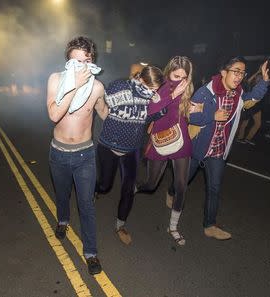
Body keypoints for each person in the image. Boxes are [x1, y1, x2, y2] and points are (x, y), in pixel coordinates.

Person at [173, 56, 270, 240]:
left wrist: (264, 81)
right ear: (224, 72)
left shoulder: (238, 95)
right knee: (183, 182)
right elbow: (188, 116)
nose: (239, 76)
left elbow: (252, 99)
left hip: (218, 151)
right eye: (236, 71)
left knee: (215, 188)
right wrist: (212, 115)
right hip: (197, 148)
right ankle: (172, 191)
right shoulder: (205, 93)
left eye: (242, 72)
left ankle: (209, 225)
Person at [46, 36, 108, 275]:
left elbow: (104, 113)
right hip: (58, 154)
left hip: (84, 156)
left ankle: (91, 252)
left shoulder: (97, 87)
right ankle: (62, 220)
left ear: (92, 61)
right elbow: (53, 114)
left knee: (87, 205)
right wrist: (75, 86)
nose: (81, 67)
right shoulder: (56, 80)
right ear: (67, 61)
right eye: (76, 61)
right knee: (62, 195)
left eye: (87, 61)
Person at [95, 65, 165, 245]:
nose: (154, 93)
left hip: (132, 149)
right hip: (108, 146)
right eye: (152, 89)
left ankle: (120, 225)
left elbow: (150, 116)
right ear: (142, 80)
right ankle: (96, 190)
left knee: (128, 189)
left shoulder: (152, 99)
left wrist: (163, 110)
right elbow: (101, 104)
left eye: (157, 90)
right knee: (105, 185)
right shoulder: (119, 87)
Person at [135, 56, 197, 246]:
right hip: (160, 140)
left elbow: (183, 112)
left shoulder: (187, 87)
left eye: (184, 76)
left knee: (181, 185)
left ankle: (173, 226)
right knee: (151, 184)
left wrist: (194, 109)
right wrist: (172, 95)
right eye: (176, 75)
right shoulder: (160, 85)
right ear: (169, 71)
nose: (179, 79)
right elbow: (151, 111)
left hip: (181, 138)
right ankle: (136, 187)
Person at [237, 63, 270, 145]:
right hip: (249, 105)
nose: (259, 78)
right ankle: (240, 138)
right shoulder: (251, 83)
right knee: (245, 122)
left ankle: (248, 138)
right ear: (255, 78)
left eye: (261, 77)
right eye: (258, 77)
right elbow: (248, 81)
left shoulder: (262, 84)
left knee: (258, 123)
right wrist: (258, 71)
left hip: (257, 107)